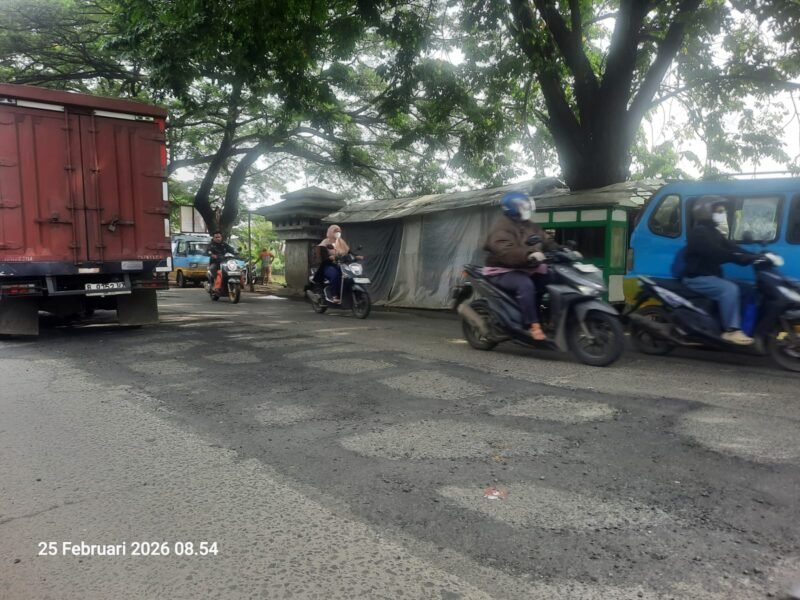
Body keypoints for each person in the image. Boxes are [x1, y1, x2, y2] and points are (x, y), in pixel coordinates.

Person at [483, 191, 560, 341]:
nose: (527, 209)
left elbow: (545, 240)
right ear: (513, 208)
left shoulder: (529, 225)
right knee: (525, 284)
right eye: (523, 206)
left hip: (526, 267)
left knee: (552, 277)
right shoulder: (502, 227)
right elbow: (505, 251)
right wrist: (528, 254)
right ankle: (532, 325)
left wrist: (562, 250)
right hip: (502, 270)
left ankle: (549, 318)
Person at [682, 196, 759, 345]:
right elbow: (716, 252)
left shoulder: (715, 232)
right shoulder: (699, 233)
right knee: (729, 289)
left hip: (711, 277)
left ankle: (746, 326)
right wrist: (738, 258)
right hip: (696, 278)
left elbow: (733, 247)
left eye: (722, 211)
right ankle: (731, 331)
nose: (722, 214)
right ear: (705, 212)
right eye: (719, 211)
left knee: (748, 289)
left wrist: (756, 256)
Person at [316, 224, 351, 303]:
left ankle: (346, 294)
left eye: (339, 231)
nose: (338, 233)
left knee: (348, 275)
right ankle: (334, 295)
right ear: (331, 232)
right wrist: (330, 258)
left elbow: (348, 252)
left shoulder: (341, 242)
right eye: (335, 231)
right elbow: (322, 256)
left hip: (340, 265)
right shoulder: (325, 242)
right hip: (327, 266)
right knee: (335, 275)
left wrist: (356, 256)